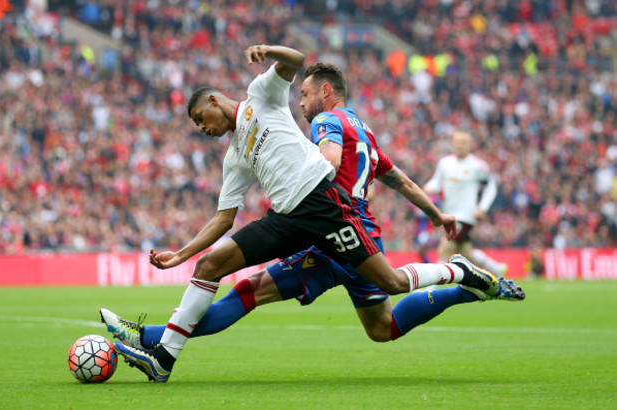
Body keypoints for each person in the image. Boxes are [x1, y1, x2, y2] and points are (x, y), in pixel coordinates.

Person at [112, 45, 505, 383]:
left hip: (325, 211)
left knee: (391, 292)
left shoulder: (268, 99)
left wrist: (267, 51)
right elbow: (222, 218)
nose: (202, 128)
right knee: (214, 266)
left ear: (214, 101)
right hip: (288, 220)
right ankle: (163, 356)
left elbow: (296, 60)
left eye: (201, 119)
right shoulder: (236, 159)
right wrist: (182, 255)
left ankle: (457, 272)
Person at [423, 130, 508, 277]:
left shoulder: (477, 166)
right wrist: (426, 188)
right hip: (449, 214)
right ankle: (497, 268)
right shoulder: (445, 163)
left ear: (470, 145)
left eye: (463, 143)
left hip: (466, 216)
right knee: (466, 253)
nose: (460, 146)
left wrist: (482, 208)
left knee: (444, 249)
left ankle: (430, 289)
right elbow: (437, 182)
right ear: (452, 144)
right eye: (457, 142)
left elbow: (491, 186)